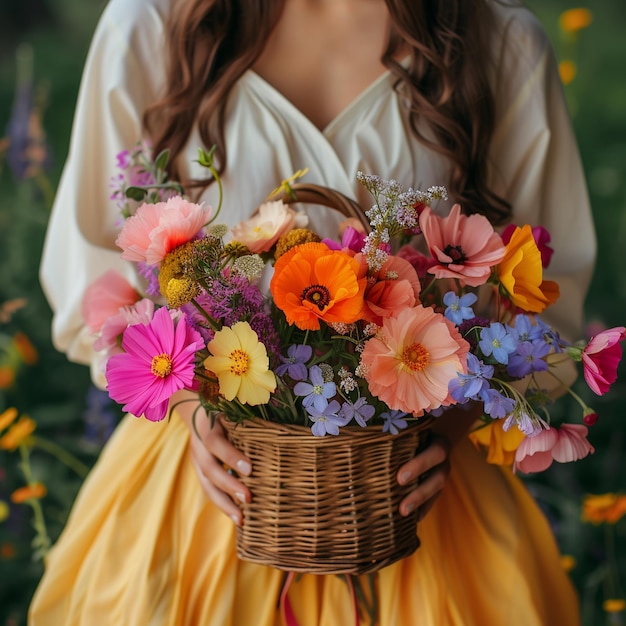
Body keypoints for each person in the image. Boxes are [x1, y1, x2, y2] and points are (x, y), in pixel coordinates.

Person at [29, 0, 596, 624]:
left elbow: (547, 291)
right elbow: (96, 280)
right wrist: (194, 410)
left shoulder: (501, 43)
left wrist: (452, 428)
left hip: (412, 488)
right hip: (212, 484)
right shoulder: (149, 27)